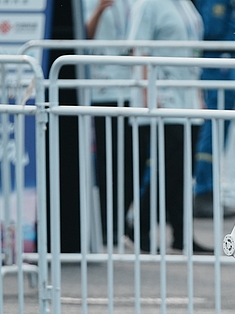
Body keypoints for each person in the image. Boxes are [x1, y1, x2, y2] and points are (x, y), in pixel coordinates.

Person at [126, 0, 209, 254]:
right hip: (163, 97)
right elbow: (139, 50)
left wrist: (199, 95)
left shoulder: (184, 4)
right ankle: (140, 227)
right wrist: (148, 95)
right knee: (168, 170)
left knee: (183, 172)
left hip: (188, 99)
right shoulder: (149, 5)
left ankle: (182, 235)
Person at [83, 0, 137, 247]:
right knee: (106, 163)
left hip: (128, 90)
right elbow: (83, 34)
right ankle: (105, 226)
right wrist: (99, 9)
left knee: (128, 162)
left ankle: (118, 223)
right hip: (101, 91)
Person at [192, 0, 235, 219]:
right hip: (217, 70)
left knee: (217, 133)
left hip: (223, 70)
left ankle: (207, 190)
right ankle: (203, 191)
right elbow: (211, 29)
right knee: (211, 133)